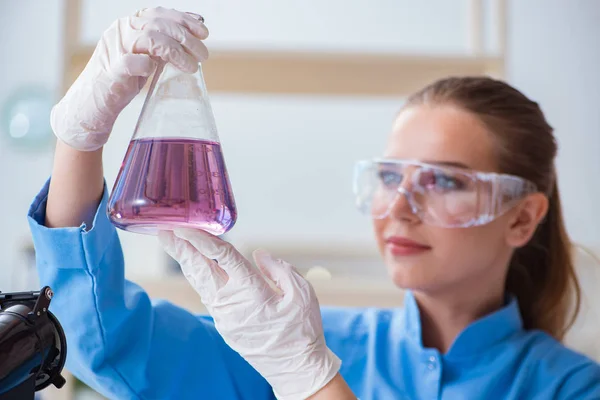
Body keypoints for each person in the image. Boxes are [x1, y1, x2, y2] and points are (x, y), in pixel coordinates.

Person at [27, 7, 600, 400]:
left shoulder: (571, 387)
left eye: (443, 182)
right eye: (389, 177)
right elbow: (99, 338)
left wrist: (309, 380)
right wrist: (80, 137)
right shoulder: (300, 338)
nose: (398, 207)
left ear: (522, 217)